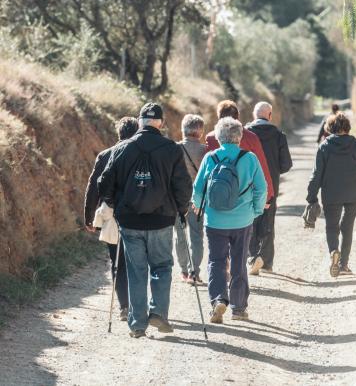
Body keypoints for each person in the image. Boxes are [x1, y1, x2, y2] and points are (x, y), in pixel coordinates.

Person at [98, 102, 192, 339]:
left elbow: (104, 182)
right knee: (161, 266)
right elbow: (183, 184)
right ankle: (158, 312)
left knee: (136, 270)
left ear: (140, 122)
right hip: (162, 218)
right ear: (160, 123)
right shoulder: (171, 149)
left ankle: (137, 324)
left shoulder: (122, 148)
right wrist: (181, 210)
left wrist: (115, 204)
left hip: (130, 220)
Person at [193, 117, 267, 324]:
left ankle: (218, 299)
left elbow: (198, 190)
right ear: (239, 137)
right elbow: (261, 189)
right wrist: (255, 211)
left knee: (216, 261)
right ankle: (238, 308)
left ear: (218, 136)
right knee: (239, 261)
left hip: (215, 220)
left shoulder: (210, 157)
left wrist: (200, 207)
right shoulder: (250, 158)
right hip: (242, 220)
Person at [306, 111, 356, 277]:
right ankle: (344, 264)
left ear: (330, 128)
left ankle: (333, 252)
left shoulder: (324, 146)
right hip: (354, 193)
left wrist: (311, 196)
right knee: (348, 226)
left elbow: (316, 174)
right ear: (347, 127)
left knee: (332, 226)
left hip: (331, 194)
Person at [84, 116, 139, 321]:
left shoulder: (105, 155)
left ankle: (124, 306)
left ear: (119, 133)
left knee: (117, 262)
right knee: (137, 262)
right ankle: (137, 304)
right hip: (138, 216)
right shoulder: (141, 156)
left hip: (112, 216)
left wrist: (89, 216)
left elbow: (93, 187)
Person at [246, 101, 292, 274]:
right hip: (270, 185)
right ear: (270, 115)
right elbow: (286, 164)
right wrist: (273, 170)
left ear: (254, 115)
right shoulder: (279, 135)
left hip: (248, 186)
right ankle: (266, 262)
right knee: (268, 222)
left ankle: (252, 258)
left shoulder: (245, 133)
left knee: (250, 221)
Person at [175, 114, 206, 284]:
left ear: (183, 130)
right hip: (197, 200)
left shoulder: (174, 148)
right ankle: (195, 272)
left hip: (178, 199)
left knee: (180, 235)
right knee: (196, 236)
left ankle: (184, 271)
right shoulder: (205, 150)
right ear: (200, 132)